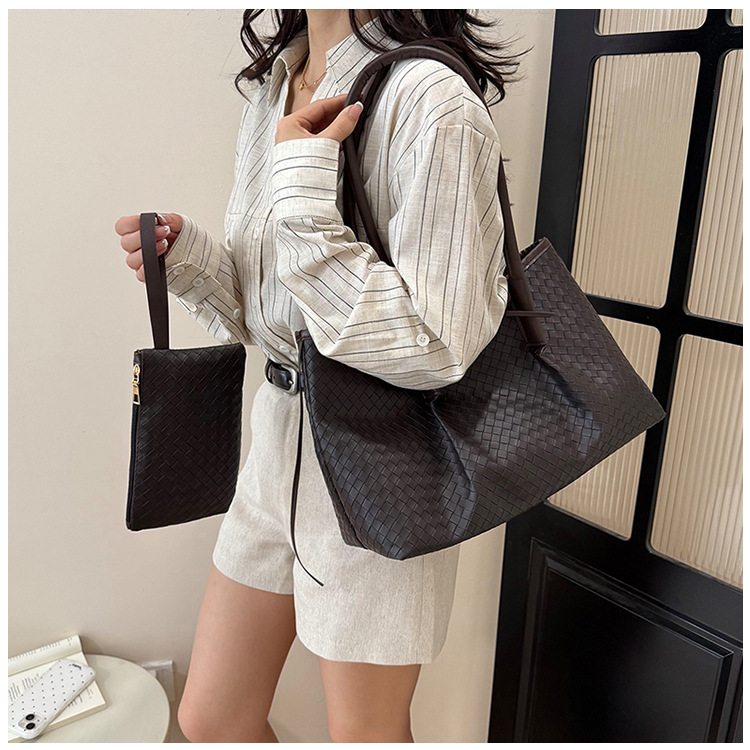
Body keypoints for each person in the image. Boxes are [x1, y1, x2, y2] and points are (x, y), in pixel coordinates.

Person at [114, 9, 524, 743]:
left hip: (384, 456)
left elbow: (439, 343)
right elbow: (280, 312)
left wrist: (303, 193)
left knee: (365, 734)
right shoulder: (278, 85)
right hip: (277, 435)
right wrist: (194, 264)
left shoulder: (431, 99)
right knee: (212, 716)